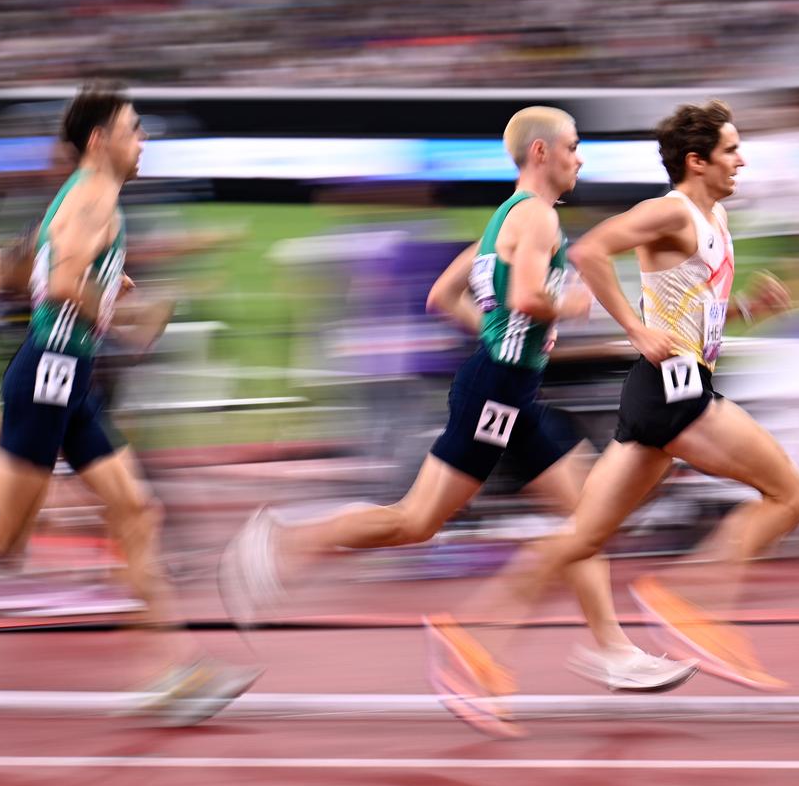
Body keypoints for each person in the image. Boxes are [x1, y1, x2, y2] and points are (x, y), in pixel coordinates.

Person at [219, 107, 697, 706]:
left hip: (507, 390)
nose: (581, 158)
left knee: (584, 520)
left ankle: (613, 651)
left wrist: (498, 332)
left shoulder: (502, 221)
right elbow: (526, 295)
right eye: (573, 146)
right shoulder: (539, 220)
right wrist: (572, 308)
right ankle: (284, 539)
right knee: (415, 521)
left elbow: (442, 294)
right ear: (542, 153)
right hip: (497, 394)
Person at [0, 83, 256, 725]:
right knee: (1, 537)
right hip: (51, 374)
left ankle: (172, 674)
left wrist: (108, 284)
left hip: (69, 377)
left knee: (137, 509)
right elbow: (59, 282)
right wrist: (127, 316)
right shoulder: (93, 197)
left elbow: (17, 269)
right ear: (101, 141)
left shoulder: (86, 198)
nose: (144, 141)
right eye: (135, 130)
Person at [423, 100, 799, 737]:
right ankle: (694, 600)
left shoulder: (712, 219)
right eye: (732, 150)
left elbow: (689, 315)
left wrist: (745, 309)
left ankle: (473, 640)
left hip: (659, 390)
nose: (741, 160)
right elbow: (596, 251)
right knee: (792, 492)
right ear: (697, 160)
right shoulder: (673, 209)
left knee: (582, 537)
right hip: (674, 391)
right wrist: (636, 330)